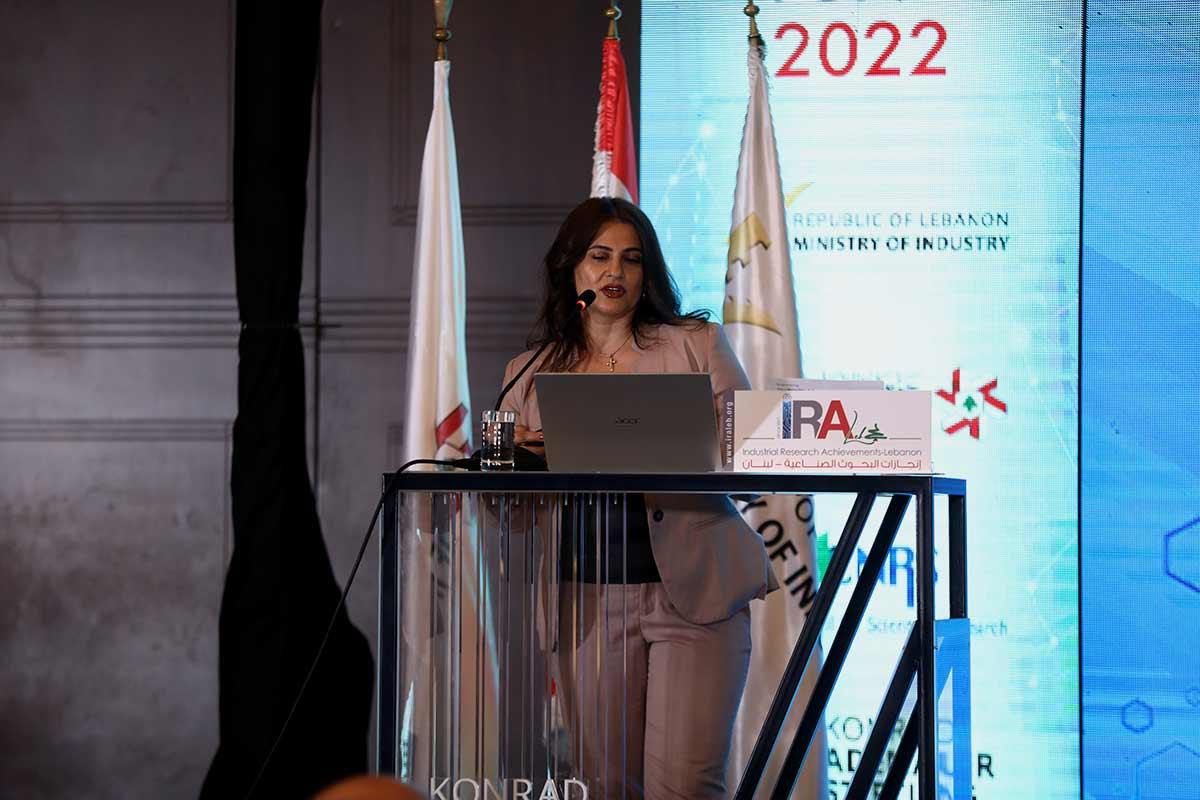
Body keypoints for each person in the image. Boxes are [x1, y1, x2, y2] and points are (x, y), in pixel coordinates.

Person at [498, 197, 778, 799]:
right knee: (606, 788)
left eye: (631, 259)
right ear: (570, 268)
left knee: (685, 787)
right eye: (599, 257)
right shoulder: (529, 371)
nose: (615, 272)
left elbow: (754, 462)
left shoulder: (696, 344)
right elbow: (511, 514)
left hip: (695, 595)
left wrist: (682, 443)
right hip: (587, 602)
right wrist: (517, 462)